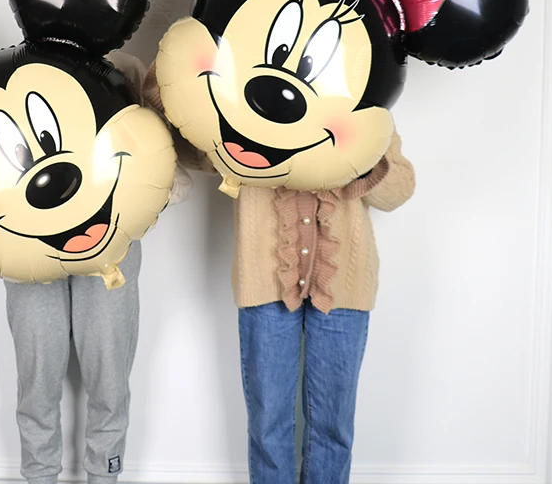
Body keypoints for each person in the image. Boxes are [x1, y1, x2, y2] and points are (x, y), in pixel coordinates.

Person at [144, 65, 414, 484]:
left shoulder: (363, 105)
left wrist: (358, 154)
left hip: (344, 288)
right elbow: (196, 147)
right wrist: (173, 81)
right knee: (268, 423)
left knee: (333, 425)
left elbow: (400, 189)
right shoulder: (245, 105)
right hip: (264, 284)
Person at [0, 50, 191, 484]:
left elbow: (173, 175)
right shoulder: (10, 71)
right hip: (32, 254)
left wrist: (133, 202)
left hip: (109, 251)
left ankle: (104, 476)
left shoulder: (125, 68)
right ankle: (39, 476)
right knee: (36, 381)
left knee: (109, 382)